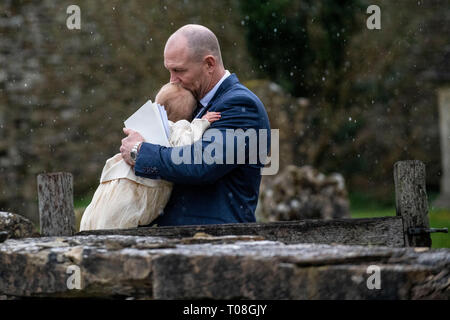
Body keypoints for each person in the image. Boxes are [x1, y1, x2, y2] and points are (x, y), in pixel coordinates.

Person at [120, 24, 271, 226]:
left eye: (179, 70)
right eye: (169, 70)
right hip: (183, 241)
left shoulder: (242, 105)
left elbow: (200, 163)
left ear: (209, 64)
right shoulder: (192, 102)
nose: (173, 81)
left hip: (220, 243)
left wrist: (140, 151)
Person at [79, 83, 221, 230]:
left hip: (119, 182)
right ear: (189, 114)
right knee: (122, 223)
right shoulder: (177, 128)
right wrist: (202, 122)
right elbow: (184, 147)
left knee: (101, 218)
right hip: (140, 191)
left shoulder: (143, 129)